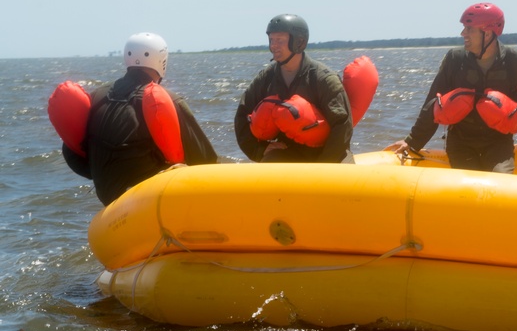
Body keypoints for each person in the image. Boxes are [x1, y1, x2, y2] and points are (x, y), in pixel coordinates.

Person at [385, 3, 517, 172]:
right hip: (461, 142)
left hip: (498, 142)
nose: (463, 33)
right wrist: (413, 141)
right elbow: (433, 102)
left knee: (499, 182)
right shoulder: (455, 59)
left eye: (469, 29)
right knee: (470, 184)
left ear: (487, 33)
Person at [59, 32, 217, 206]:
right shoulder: (168, 100)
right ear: (161, 60)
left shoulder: (96, 96)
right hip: (148, 201)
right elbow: (206, 161)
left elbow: (73, 154)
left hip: (110, 200)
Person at [234, 14, 354, 163]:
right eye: (271, 40)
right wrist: (258, 150)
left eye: (280, 40)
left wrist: (323, 166)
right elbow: (242, 115)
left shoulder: (324, 79)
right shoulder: (265, 78)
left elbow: (342, 126)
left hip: (328, 153)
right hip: (287, 151)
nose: (273, 46)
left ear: (299, 42)